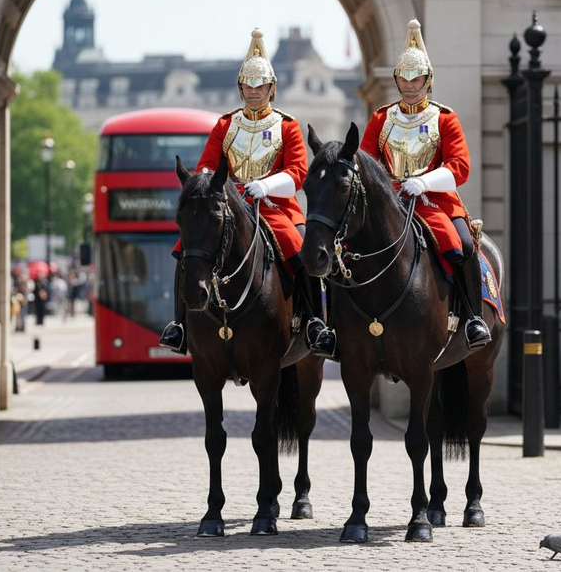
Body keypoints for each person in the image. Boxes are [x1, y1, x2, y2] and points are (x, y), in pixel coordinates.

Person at [159, 29, 333, 356]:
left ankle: (314, 321)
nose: (254, 92)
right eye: (248, 86)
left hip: (275, 208)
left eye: (260, 86)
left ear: (272, 89)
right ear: (240, 87)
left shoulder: (287, 126)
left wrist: (265, 186)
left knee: (299, 248)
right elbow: (207, 168)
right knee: (185, 249)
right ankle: (180, 324)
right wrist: (218, 187)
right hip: (228, 208)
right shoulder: (225, 125)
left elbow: (297, 172)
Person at [358, 19, 490, 350]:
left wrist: (424, 181)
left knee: (464, 245)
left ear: (427, 80)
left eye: (415, 77)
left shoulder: (445, 118)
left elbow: (460, 167)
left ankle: (473, 317)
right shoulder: (381, 119)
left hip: (435, 202)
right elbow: (366, 163)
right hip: (391, 201)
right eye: (402, 77)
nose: (407, 83)